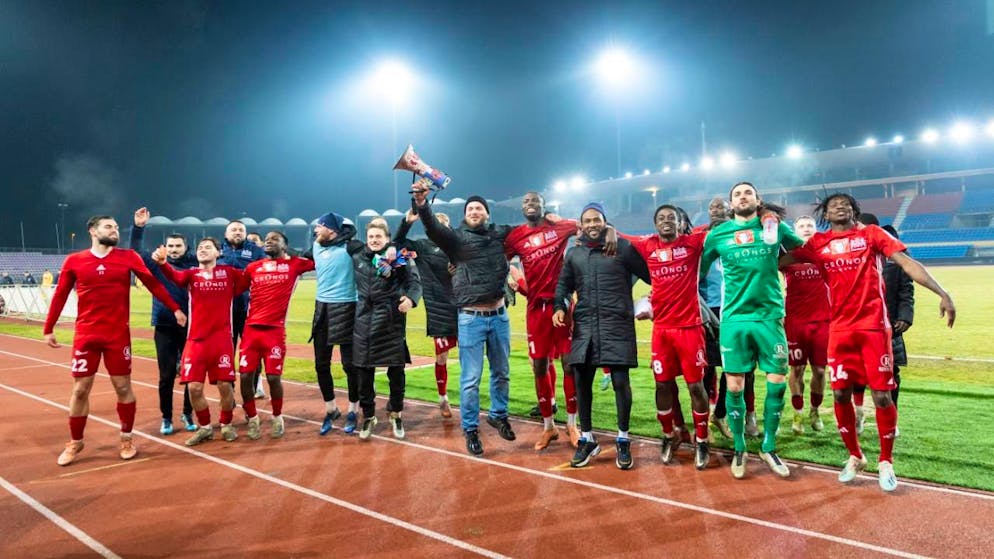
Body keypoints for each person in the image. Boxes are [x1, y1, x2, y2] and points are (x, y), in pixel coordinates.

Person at [788, 194, 953, 491]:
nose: (840, 205)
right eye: (833, 203)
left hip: (874, 328)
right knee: (839, 396)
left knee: (882, 397)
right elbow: (781, 261)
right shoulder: (817, 244)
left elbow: (905, 262)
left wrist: (943, 293)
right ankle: (855, 456)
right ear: (825, 212)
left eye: (845, 202)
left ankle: (886, 462)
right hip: (839, 330)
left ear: (855, 209)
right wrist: (770, 235)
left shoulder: (872, 235)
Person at [43, 215, 187, 466]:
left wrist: (175, 308)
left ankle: (126, 438)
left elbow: (153, 284)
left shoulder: (127, 257)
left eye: (117, 227)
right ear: (92, 230)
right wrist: (49, 327)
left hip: (117, 336)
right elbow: (60, 294)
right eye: (109, 226)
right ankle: (76, 442)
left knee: (123, 388)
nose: (115, 230)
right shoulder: (75, 261)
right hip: (86, 336)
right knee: (80, 390)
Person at [700, 182, 805, 480]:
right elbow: (699, 271)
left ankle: (769, 446)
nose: (742, 197)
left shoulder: (774, 226)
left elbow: (804, 251)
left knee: (777, 382)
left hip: (770, 317)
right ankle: (739, 446)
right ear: (731, 204)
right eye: (737, 194)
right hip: (734, 319)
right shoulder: (718, 234)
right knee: (733, 385)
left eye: (748, 193)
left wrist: (777, 261)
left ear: (758, 200)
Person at [412, 183, 516, 456]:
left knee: (502, 372)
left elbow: (529, 232)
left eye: (479, 208)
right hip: (471, 318)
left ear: (487, 213)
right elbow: (433, 228)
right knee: (471, 378)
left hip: (499, 316)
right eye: (470, 208)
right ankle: (470, 429)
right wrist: (423, 204)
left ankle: (498, 414)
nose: (474, 211)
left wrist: (552, 219)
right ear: (465, 214)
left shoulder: (499, 235)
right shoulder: (455, 239)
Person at [554, 202, 650, 470]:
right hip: (585, 325)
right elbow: (563, 285)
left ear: (605, 222)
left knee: (621, 382)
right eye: (588, 220)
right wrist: (559, 307)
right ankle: (587, 439)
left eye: (597, 220)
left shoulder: (621, 248)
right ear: (581, 225)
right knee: (581, 383)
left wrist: (650, 301)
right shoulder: (574, 254)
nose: (593, 224)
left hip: (616, 324)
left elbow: (652, 275)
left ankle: (623, 439)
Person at [623, 204, 712, 470]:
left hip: (690, 328)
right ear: (655, 223)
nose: (666, 221)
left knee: (696, 386)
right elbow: (620, 237)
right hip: (661, 330)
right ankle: (668, 434)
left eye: (671, 218)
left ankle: (703, 440)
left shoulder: (693, 242)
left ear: (679, 221)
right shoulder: (647, 244)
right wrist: (606, 231)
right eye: (661, 218)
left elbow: (717, 228)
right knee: (662, 384)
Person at [504, 192, 583, 450]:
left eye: (535, 201)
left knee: (570, 366)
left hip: (562, 306)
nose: (530, 205)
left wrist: (564, 219)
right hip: (536, 310)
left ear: (544, 206)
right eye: (526, 202)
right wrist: (509, 277)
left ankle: (572, 423)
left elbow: (584, 225)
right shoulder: (516, 236)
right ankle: (549, 427)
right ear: (522, 207)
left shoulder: (558, 227)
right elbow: (497, 259)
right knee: (539, 367)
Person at [153, 238, 245, 446]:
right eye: (200, 248)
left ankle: (226, 423)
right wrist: (163, 263)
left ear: (218, 253)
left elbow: (249, 278)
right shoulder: (191, 274)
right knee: (194, 387)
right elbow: (174, 277)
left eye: (207, 247)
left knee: (224, 385)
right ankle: (205, 427)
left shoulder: (229, 273)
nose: (202, 250)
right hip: (196, 340)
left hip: (221, 339)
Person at [237, 231, 315, 440]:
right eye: (267, 239)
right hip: (251, 330)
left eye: (274, 239)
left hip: (275, 331)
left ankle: (277, 416)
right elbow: (236, 289)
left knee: (273, 377)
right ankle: (252, 418)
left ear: (284, 245)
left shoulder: (295, 265)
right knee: (245, 376)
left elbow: (318, 258)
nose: (268, 241)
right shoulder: (253, 267)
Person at [350, 221, 422, 440]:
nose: (373, 240)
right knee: (363, 374)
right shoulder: (358, 256)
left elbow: (415, 283)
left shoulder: (399, 258)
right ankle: (369, 416)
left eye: (378, 236)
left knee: (396, 373)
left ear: (387, 238)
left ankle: (396, 413)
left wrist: (411, 299)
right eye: (370, 236)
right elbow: (339, 235)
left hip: (391, 320)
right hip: (363, 321)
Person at [130, 207, 196, 435]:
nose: (174, 250)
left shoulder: (194, 264)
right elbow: (135, 251)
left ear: (186, 247)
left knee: (190, 374)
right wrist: (139, 228)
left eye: (179, 246)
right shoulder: (156, 262)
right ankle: (166, 417)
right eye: (171, 246)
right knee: (166, 376)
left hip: (191, 327)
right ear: (165, 248)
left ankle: (188, 414)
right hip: (164, 326)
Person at [394, 208, 459, 419]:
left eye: (443, 224)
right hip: (439, 310)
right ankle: (443, 398)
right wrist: (407, 222)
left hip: (465, 308)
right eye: (434, 224)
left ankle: (469, 400)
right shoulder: (421, 247)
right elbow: (397, 244)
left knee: (469, 358)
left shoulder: (458, 246)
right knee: (441, 357)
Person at [853, 214, 914, 434]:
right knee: (857, 373)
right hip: (858, 323)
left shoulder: (895, 254)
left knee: (891, 373)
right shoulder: (850, 253)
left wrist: (905, 316)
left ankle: (892, 420)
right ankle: (858, 414)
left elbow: (906, 289)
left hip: (889, 324)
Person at [304, 212, 363, 435]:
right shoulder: (316, 247)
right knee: (321, 364)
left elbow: (373, 251)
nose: (316, 230)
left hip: (348, 309)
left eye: (320, 226)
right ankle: (331, 409)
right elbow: (299, 257)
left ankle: (353, 409)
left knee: (350, 366)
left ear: (332, 230)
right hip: (322, 311)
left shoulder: (351, 247)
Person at [780, 215, 829, 435]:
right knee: (796, 369)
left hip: (823, 320)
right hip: (796, 321)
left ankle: (815, 411)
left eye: (810, 225)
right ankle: (797, 413)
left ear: (816, 229)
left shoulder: (824, 254)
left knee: (820, 370)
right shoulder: (790, 258)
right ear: (795, 231)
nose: (806, 228)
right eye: (802, 226)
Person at [219, 220, 266, 401]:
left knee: (252, 354)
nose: (237, 232)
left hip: (249, 311)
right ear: (226, 233)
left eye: (241, 230)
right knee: (226, 354)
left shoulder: (255, 251)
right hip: (224, 311)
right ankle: (229, 394)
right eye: (234, 229)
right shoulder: (217, 249)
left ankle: (252, 393)